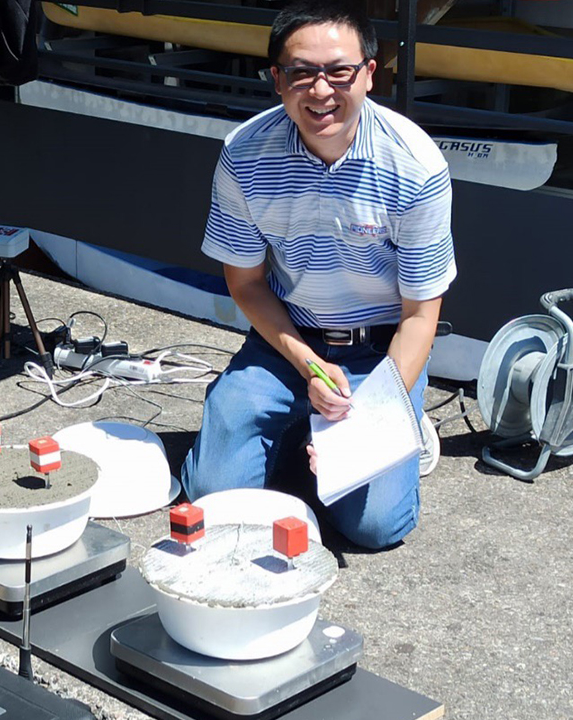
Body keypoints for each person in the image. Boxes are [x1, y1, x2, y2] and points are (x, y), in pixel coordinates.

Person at [179, 0, 456, 550]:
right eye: (301, 72)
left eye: (339, 72)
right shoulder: (243, 154)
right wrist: (309, 366)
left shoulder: (417, 168)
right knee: (211, 501)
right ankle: (294, 421)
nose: (321, 90)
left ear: (370, 74)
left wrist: (373, 411)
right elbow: (247, 284)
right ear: (278, 79)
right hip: (287, 342)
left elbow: (422, 314)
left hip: (382, 355)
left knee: (374, 529)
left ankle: (403, 427)